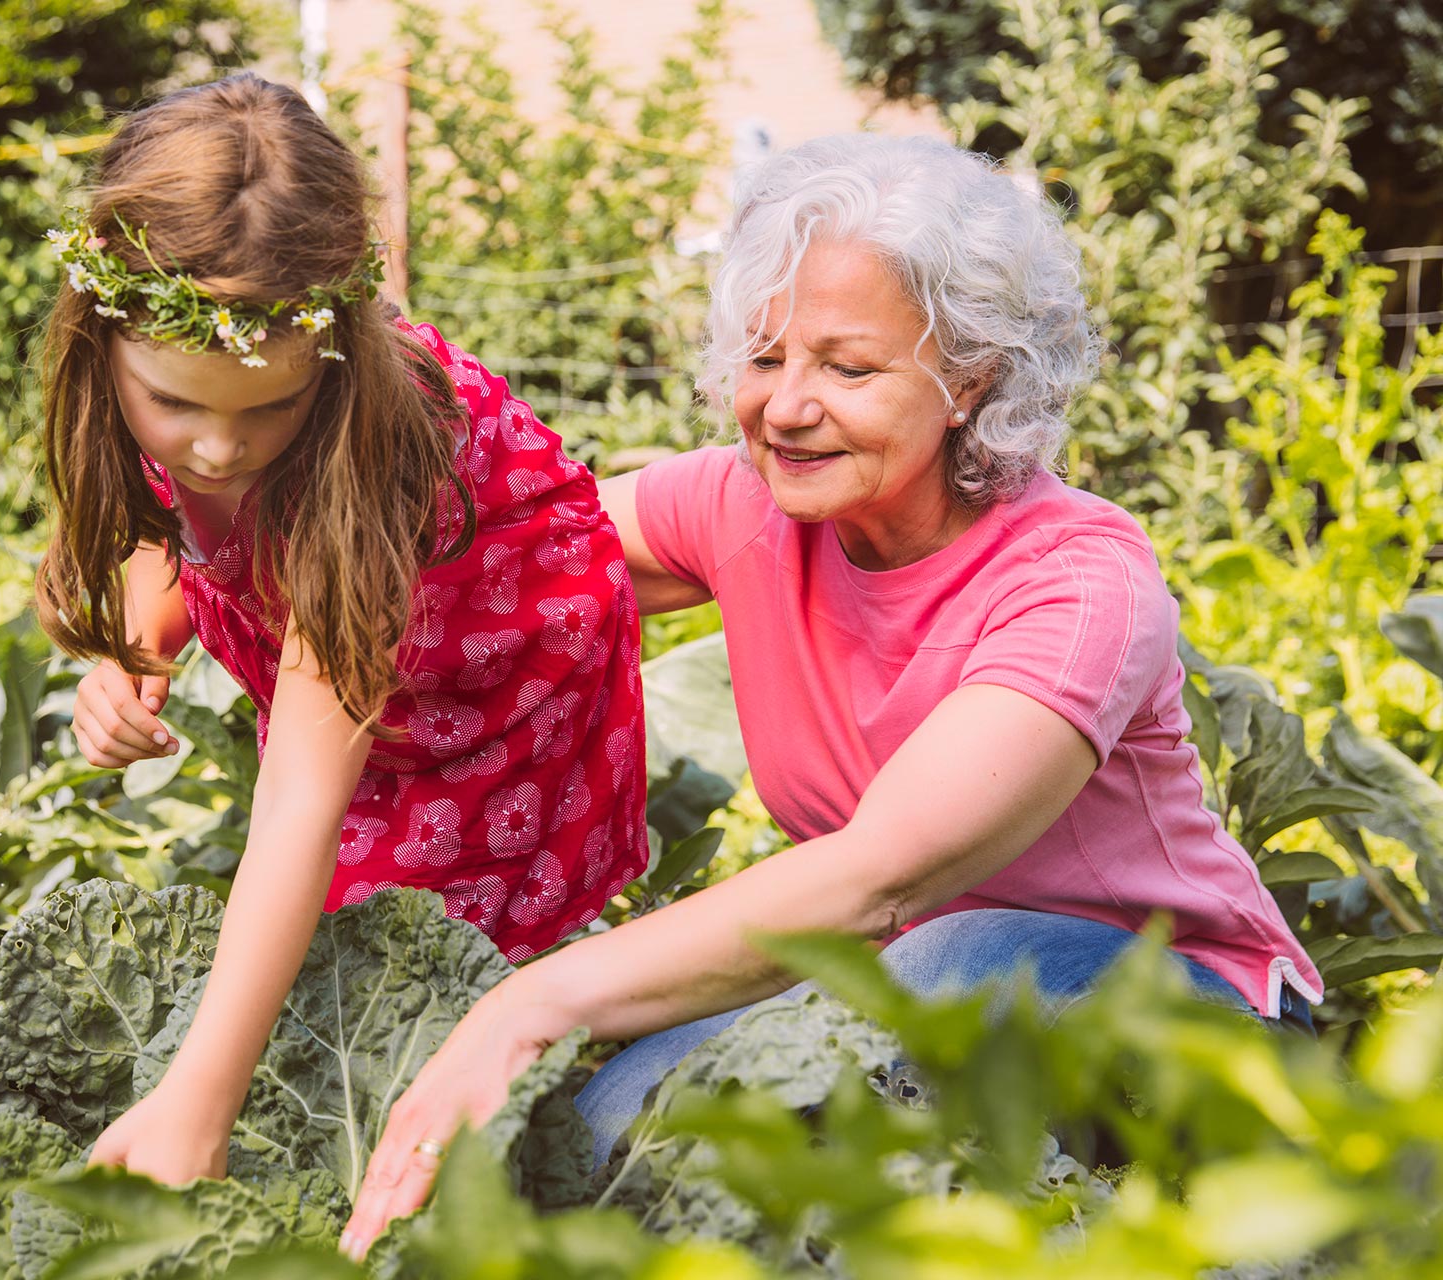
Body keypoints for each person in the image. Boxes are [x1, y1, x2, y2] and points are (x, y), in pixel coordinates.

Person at [337, 133, 1323, 1257]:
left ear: (970, 378)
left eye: (847, 369)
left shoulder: (1080, 584)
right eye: (765, 357)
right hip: (906, 986)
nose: (787, 407)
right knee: (609, 1135)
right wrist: (165, 601)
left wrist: (524, 1004)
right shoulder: (744, 507)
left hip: (1194, 1020)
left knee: (951, 961)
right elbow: (488, 566)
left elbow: (881, 876)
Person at [32, 74, 648, 1187]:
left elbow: (307, 789)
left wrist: (197, 1101)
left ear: (334, 356)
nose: (215, 449)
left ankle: (539, 1078)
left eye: (266, 409)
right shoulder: (150, 390)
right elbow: (156, 521)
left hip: (488, 654)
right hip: (344, 623)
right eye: (177, 408)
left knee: (414, 962)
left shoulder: (365, 459)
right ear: (103, 344)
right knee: (323, 930)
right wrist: (141, 643)